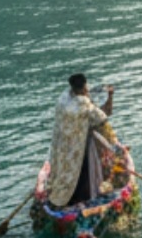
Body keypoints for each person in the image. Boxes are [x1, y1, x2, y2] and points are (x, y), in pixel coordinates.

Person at [47, 73, 114, 208]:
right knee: (82, 174)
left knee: (66, 172)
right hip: (80, 148)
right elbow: (105, 115)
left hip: (64, 146)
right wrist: (110, 96)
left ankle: (63, 198)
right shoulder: (84, 105)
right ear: (84, 88)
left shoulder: (64, 99)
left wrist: (87, 97)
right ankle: (81, 201)